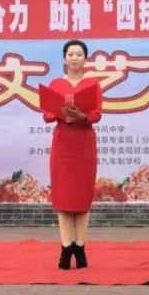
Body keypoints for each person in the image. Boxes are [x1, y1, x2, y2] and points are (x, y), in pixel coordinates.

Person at [43, 39, 102, 270]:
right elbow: (46, 115)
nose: (75, 58)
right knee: (64, 198)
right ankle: (66, 248)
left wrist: (81, 115)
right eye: (71, 54)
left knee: (82, 198)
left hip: (84, 144)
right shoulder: (56, 83)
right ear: (64, 58)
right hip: (63, 144)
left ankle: (80, 246)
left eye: (79, 54)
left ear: (85, 58)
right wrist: (62, 113)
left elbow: (97, 114)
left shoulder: (93, 84)